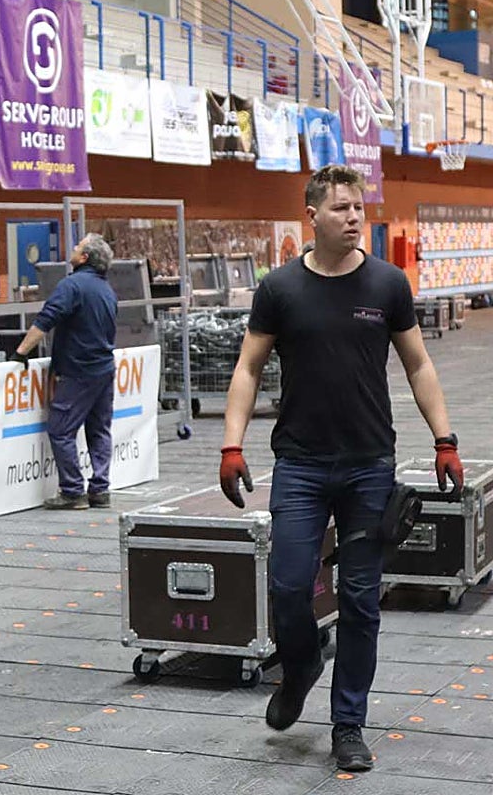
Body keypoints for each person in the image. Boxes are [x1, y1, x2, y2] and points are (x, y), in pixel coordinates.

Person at [219, 164, 464, 772]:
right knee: (287, 584)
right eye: (341, 209)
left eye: (359, 207)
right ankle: (301, 663)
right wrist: (231, 445)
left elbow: (418, 365)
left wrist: (444, 439)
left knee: (360, 601)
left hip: (367, 467)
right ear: (312, 217)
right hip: (299, 465)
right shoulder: (279, 288)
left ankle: (347, 725)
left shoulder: (387, 285)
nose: (355, 218)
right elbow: (248, 369)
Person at [10, 234, 118, 509]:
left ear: (84, 258)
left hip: (79, 370)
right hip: (104, 368)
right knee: (99, 430)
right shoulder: (107, 289)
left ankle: (72, 491)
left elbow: (46, 320)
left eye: (77, 247)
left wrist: (21, 352)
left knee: (60, 429)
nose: (73, 249)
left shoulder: (72, 286)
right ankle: (100, 490)